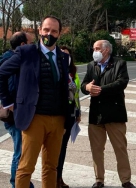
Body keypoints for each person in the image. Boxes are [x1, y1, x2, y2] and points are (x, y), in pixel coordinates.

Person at [0, 15, 69, 188]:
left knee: (51, 167)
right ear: (39, 30)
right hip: (33, 118)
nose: (49, 34)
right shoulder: (26, 52)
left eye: (54, 31)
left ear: (59, 34)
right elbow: (1, 73)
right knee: (25, 168)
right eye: (46, 30)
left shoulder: (63, 57)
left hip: (58, 118)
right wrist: (8, 102)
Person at [81, 40, 136, 188]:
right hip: (96, 115)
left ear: (106, 50)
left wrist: (100, 90)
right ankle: (99, 180)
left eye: (97, 48)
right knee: (97, 150)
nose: (95, 51)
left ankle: (125, 180)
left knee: (120, 149)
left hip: (114, 114)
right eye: (94, 48)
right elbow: (84, 85)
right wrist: (87, 87)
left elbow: (122, 82)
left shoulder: (119, 63)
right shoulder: (91, 65)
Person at [0, 31, 34, 188]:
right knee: (20, 151)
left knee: (21, 149)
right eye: (30, 43)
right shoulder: (13, 60)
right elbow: (11, 85)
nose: (33, 46)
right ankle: (17, 183)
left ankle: (22, 182)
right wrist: (9, 103)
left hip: (14, 112)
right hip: (15, 114)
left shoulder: (7, 56)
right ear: (22, 45)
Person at [56, 46, 81, 188]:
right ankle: (53, 178)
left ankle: (59, 177)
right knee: (55, 148)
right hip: (59, 114)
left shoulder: (73, 73)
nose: (65, 57)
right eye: (62, 54)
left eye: (67, 55)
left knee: (63, 148)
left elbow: (76, 95)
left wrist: (78, 113)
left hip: (71, 113)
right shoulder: (57, 72)